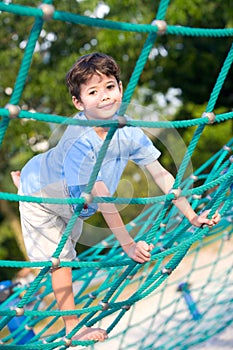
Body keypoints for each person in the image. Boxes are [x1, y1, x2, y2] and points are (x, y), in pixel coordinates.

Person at [12, 52, 220, 343]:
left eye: (110, 87)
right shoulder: (79, 139)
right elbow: (103, 196)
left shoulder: (128, 131)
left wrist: (192, 215)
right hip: (42, 198)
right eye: (93, 92)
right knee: (59, 260)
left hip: (74, 203)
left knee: (71, 232)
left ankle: (28, 173)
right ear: (79, 103)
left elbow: (161, 175)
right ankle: (72, 326)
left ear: (121, 88)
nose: (105, 96)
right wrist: (129, 244)